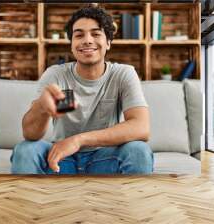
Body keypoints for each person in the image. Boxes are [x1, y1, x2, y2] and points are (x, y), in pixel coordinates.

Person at [10, 5, 153, 175]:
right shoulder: (56, 75)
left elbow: (141, 127)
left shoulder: (123, 74)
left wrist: (78, 140)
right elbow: (30, 134)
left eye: (96, 33)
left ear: (108, 42)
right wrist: (41, 107)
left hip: (105, 158)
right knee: (25, 149)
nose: (87, 40)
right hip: (62, 159)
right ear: (71, 45)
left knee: (139, 151)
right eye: (79, 35)